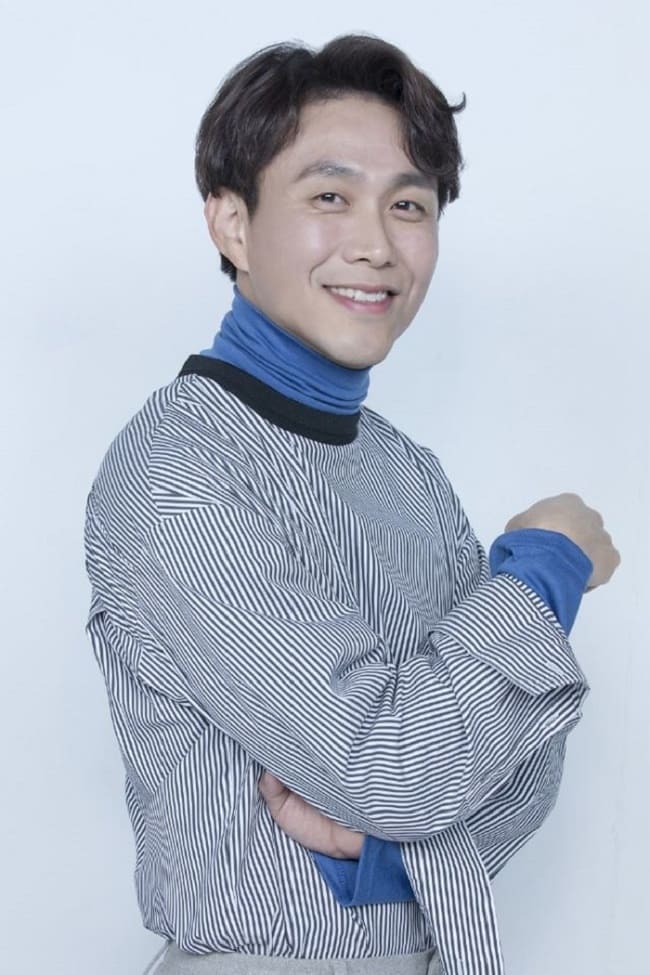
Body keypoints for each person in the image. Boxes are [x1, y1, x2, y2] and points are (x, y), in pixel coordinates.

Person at [83, 33, 620, 975]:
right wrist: (545, 563)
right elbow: (401, 766)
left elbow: (523, 768)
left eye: (408, 204)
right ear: (232, 223)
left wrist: (386, 854)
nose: (375, 244)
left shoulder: (405, 470)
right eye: (329, 197)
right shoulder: (178, 469)